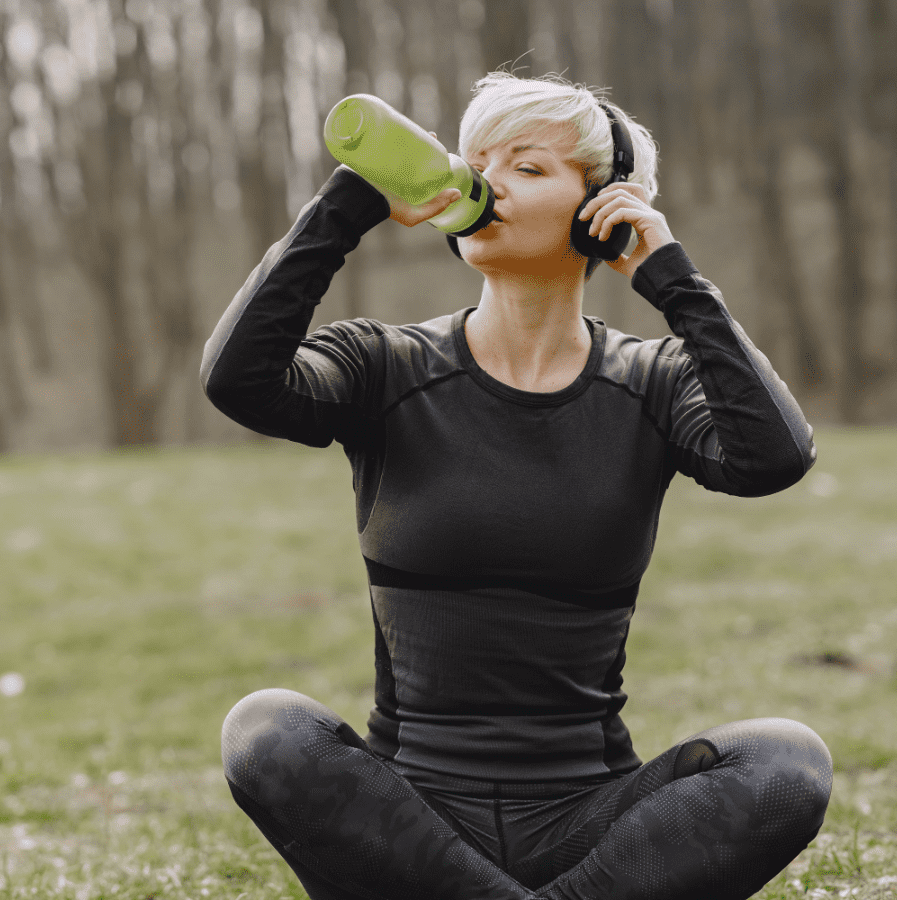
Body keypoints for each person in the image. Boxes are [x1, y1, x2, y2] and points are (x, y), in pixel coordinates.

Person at [199, 72, 833, 900]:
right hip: (408, 825)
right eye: (477, 158)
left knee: (787, 762)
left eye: (527, 167)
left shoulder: (652, 382)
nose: (485, 180)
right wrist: (348, 205)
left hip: (589, 824)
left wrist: (673, 279)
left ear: (603, 211)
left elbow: (773, 458)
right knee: (265, 729)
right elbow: (240, 380)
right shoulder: (385, 364)